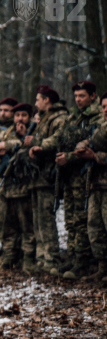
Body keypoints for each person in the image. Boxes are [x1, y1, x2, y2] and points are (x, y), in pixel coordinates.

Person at [32, 80, 101, 279]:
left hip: (85, 175)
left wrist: (68, 157)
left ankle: (82, 259)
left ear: (93, 96)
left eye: (82, 96)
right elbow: (59, 137)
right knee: (70, 219)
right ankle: (73, 256)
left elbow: (89, 145)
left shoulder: (96, 117)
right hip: (70, 176)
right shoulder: (74, 117)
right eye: (76, 96)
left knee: (81, 219)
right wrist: (42, 146)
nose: (78, 100)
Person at [25, 85, 67, 274]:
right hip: (38, 175)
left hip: (49, 174)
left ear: (46, 100)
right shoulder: (43, 119)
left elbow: (57, 139)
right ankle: (42, 257)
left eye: (38, 100)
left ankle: (51, 258)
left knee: (47, 218)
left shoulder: (59, 118)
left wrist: (35, 143)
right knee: (38, 219)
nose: (36, 103)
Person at [0, 103, 36, 272]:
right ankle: (9, 255)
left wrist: (10, 145)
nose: (20, 119)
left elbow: (27, 150)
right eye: (17, 115)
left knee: (27, 226)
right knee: (6, 225)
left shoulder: (34, 132)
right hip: (6, 188)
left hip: (24, 188)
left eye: (24, 115)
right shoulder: (5, 133)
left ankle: (28, 258)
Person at [75, 90, 107, 280]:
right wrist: (81, 147)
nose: (105, 110)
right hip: (96, 184)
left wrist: (96, 156)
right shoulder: (100, 127)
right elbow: (89, 140)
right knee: (95, 228)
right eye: (103, 107)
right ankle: (103, 267)